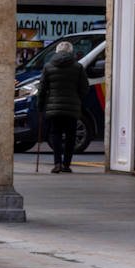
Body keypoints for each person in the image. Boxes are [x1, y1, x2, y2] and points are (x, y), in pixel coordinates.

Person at [37, 40, 89, 174]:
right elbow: (85, 88)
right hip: (72, 107)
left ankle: (57, 163)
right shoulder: (78, 67)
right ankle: (66, 164)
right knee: (71, 135)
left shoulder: (48, 66)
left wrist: (41, 105)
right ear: (70, 51)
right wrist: (77, 98)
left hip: (54, 107)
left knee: (56, 134)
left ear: (57, 51)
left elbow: (42, 89)